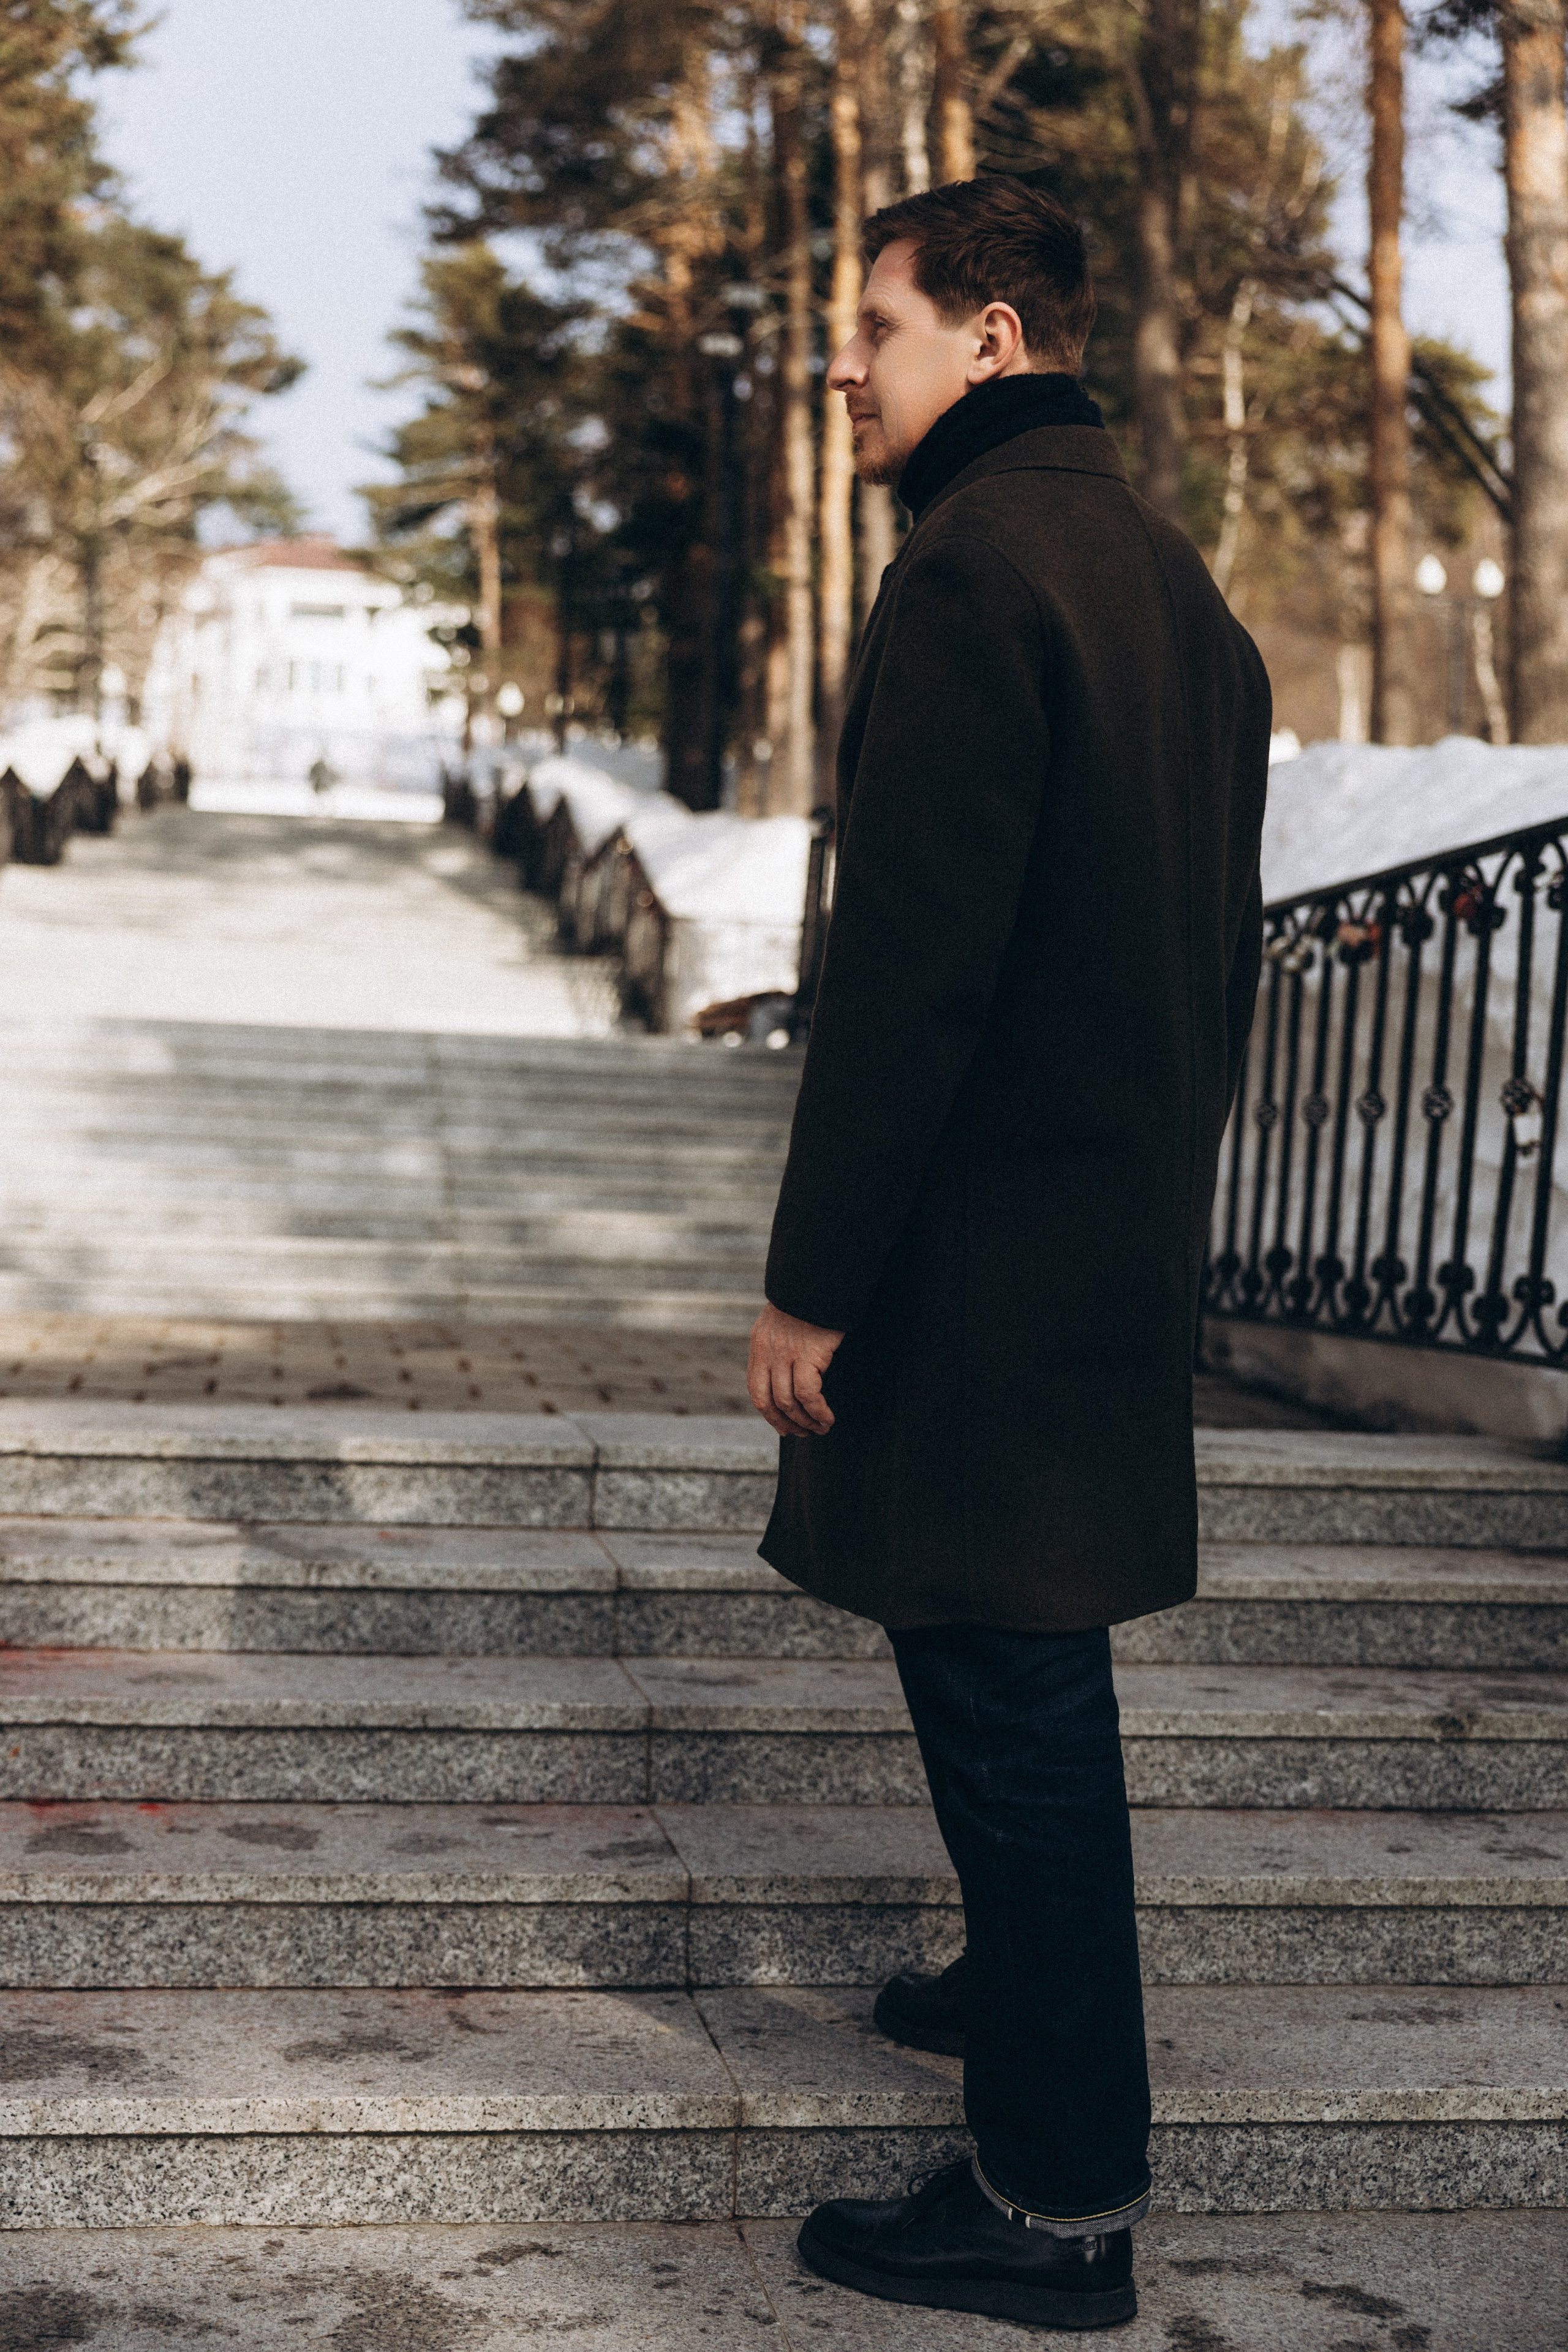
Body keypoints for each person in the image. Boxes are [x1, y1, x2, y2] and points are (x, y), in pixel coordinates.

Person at [746, 174, 1270, 2334]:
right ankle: (1010, 1983)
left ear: (989, 332)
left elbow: (910, 979)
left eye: (871, 326)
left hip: (982, 1252)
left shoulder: (974, 574)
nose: (841, 367)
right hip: (1105, 1231)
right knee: (1007, 1661)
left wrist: (813, 1276)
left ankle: (1055, 2205)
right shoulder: (1167, 578)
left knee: (1015, 1690)